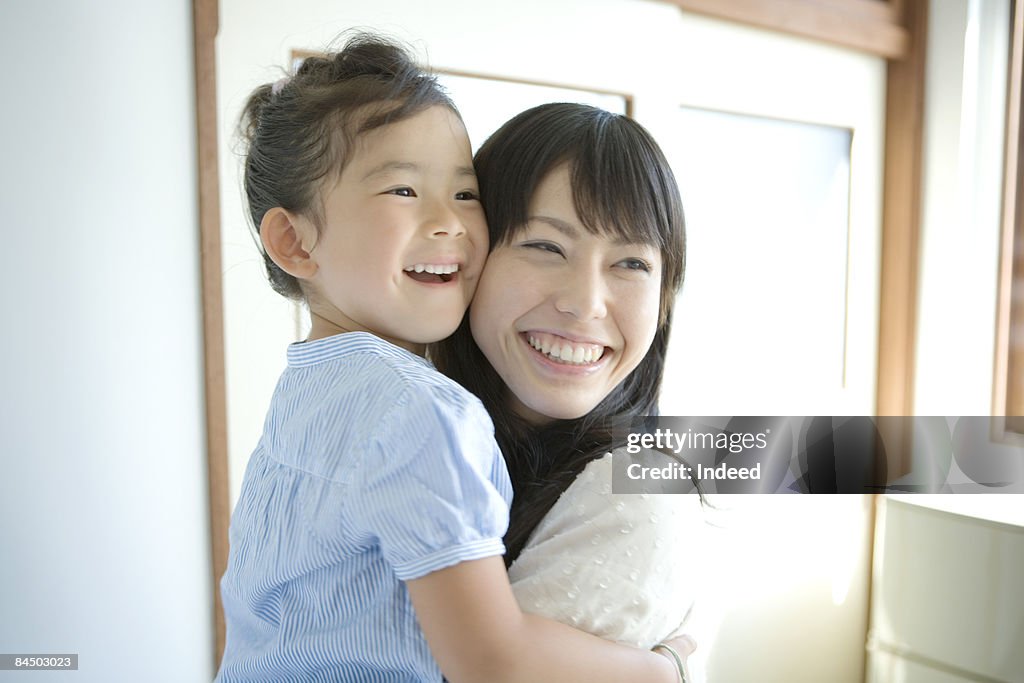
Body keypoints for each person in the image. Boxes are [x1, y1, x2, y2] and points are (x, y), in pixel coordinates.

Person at [216, 34, 693, 682]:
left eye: (465, 195)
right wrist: (664, 670)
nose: (450, 224)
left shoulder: (304, 391)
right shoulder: (424, 413)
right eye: (405, 192)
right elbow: (495, 662)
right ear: (295, 244)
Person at [434, 102, 707, 680]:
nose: (585, 302)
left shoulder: (636, 495)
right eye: (545, 246)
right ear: (469, 257)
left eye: (631, 262)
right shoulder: (415, 432)